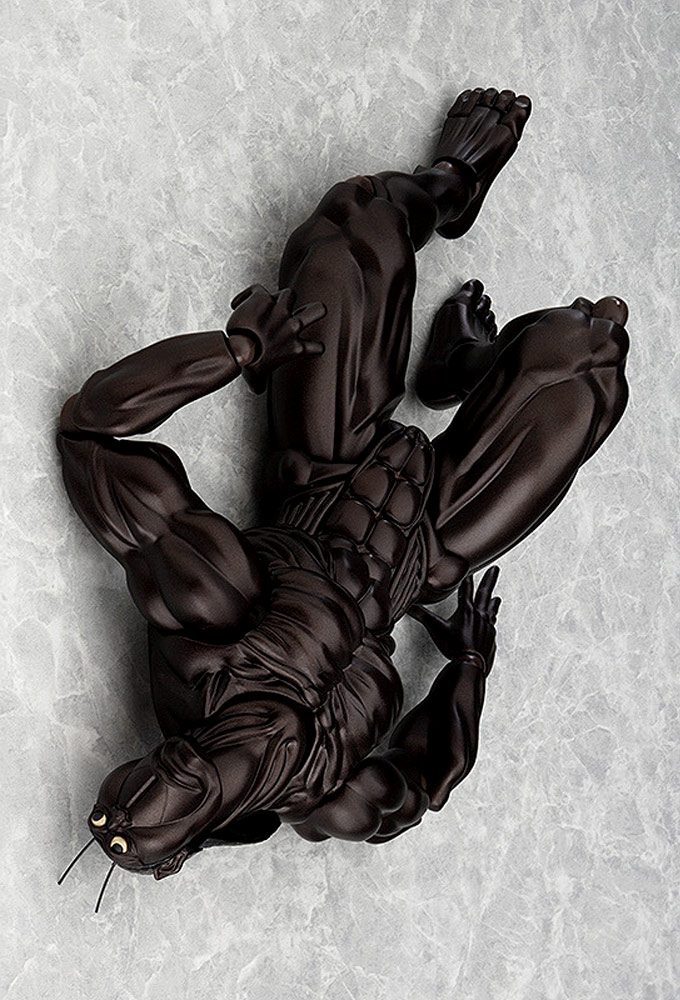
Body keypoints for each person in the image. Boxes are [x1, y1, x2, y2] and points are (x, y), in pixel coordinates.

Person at [57, 87, 629, 881]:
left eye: (125, 797)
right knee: (591, 355)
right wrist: (468, 667)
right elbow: (420, 786)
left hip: (323, 464)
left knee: (357, 223)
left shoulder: (204, 631)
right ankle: (466, 366)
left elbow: (88, 435)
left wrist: (237, 352)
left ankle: (453, 184)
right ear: (186, 850)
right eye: (144, 824)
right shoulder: (325, 795)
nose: (138, 803)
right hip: (426, 549)